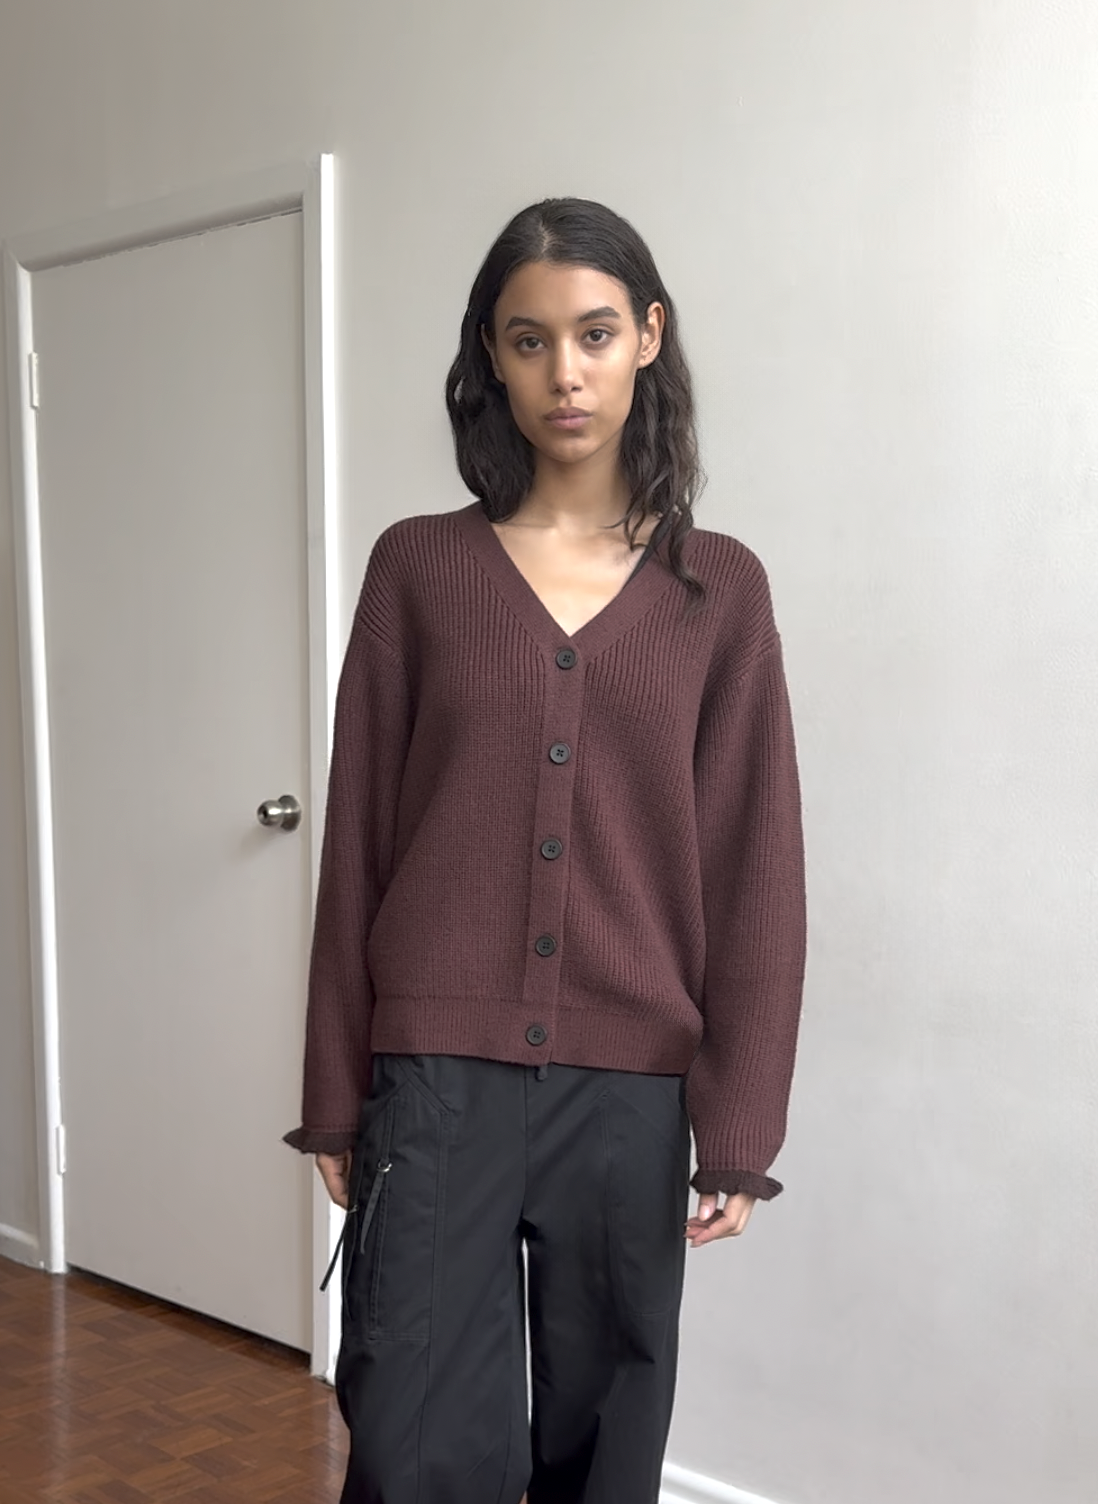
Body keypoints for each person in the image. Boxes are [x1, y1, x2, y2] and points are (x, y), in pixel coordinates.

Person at [285, 197, 807, 1504]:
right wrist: (336, 1093)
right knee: (407, 1438)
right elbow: (357, 843)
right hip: (434, 1084)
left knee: (605, 1445)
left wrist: (736, 1118)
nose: (561, 373)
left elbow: (754, 869)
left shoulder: (717, 592)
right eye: (526, 341)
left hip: (628, 1097)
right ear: (489, 358)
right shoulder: (419, 570)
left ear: (646, 337)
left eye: (589, 335)